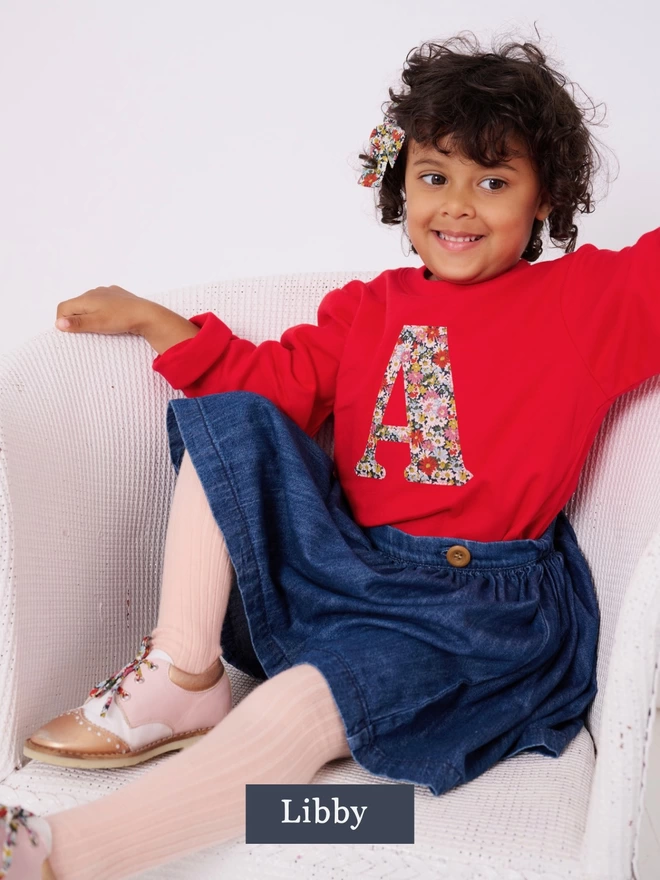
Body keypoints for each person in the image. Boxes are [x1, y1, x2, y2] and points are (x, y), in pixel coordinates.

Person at [3, 28, 659, 880]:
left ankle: (61, 854)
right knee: (233, 414)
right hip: (346, 572)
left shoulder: (583, 302)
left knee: (296, 709)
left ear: (544, 199)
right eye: (435, 177)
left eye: (493, 181)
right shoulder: (368, 309)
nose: (458, 205)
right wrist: (155, 320)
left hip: (474, 616)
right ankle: (181, 672)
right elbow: (263, 385)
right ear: (400, 185)